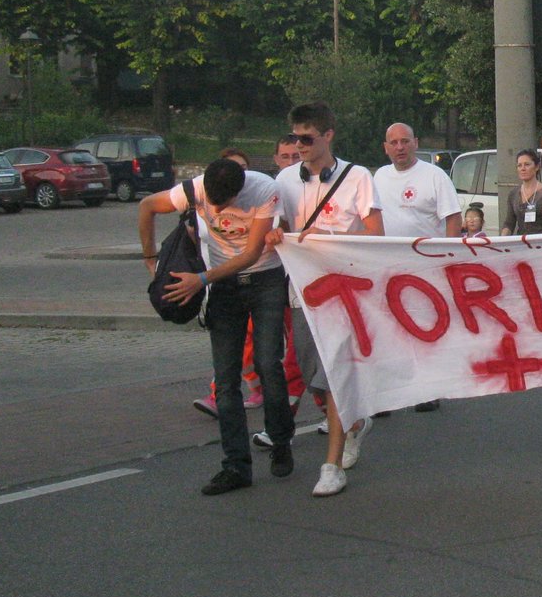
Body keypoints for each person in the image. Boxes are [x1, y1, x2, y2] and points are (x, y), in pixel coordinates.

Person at [140, 157, 288, 494]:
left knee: (267, 364)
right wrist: (151, 260)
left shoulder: (265, 189)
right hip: (224, 288)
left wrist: (201, 279)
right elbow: (147, 206)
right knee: (225, 379)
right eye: (213, 202)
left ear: (240, 192)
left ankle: (280, 440)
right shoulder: (194, 190)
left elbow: (251, 254)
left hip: (266, 279)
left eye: (225, 204)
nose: (218, 209)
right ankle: (236, 465)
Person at [269, 101, 384, 497]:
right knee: (312, 376)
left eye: (307, 138)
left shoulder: (357, 178)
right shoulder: (284, 180)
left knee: (333, 374)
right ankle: (355, 422)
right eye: (295, 138)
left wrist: (334, 240)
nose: (299, 145)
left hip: (345, 292)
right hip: (302, 291)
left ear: (328, 135)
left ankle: (331, 465)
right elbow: (276, 228)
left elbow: (376, 232)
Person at [193, 136, 304, 419]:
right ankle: (231, 392)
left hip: (278, 277)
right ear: (276, 158)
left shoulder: (272, 189)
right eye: (285, 156)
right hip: (226, 279)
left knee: (279, 353)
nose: (291, 161)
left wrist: (279, 234)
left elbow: (290, 226)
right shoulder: (208, 195)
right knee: (240, 347)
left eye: (296, 155)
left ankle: (289, 414)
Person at [374, 122, 461, 413]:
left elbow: (452, 218)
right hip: (388, 266)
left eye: (405, 141)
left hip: (426, 267)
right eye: (393, 143)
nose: (399, 147)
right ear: (386, 147)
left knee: (425, 329)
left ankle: (427, 388)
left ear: (416, 143)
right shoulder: (378, 177)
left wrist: (449, 256)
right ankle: (388, 393)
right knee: (388, 330)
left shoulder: (434, 176)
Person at [501, 149, 542, 236]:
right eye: (519, 165)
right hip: (523, 243)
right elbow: (509, 223)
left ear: (537, 167)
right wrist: (501, 241)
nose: (523, 168)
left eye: (527, 164)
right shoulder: (513, 194)